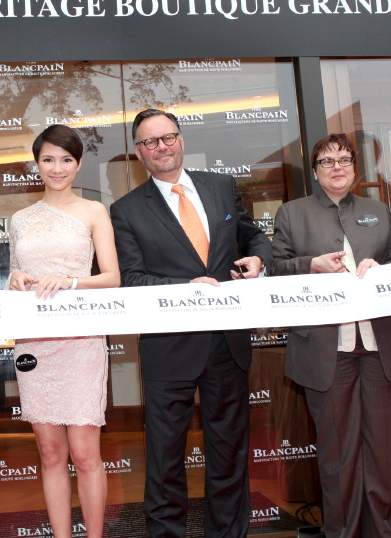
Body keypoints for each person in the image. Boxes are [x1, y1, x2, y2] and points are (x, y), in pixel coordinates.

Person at [109, 108, 273, 538]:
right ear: (139, 153)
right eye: (150, 142)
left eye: (168, 137)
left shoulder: (221, 186)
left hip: (227, 343)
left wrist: (259, 258)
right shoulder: (125, 211)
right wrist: (187, 288)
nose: (161, 147)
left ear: (181, 140)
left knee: (229, 456)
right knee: (165, 461)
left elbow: (252, 235)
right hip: (169, 348)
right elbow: (132, 280)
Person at [271, 133, 391, 538]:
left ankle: (386, 533)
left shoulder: (378, 210)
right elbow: (275, 270)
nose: (337, 167)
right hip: (325, 351)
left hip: (380, 348)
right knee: (337, 457)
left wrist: (383, 272)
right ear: (315, 171)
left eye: (345, 160)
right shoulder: (292, 213)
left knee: (383, 455)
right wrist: (310, 265)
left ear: (354, 167)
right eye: (327, 161)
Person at [7, 124, 121, 538]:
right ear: (36, 164)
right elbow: (17, 276)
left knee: (85, 452)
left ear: (78, 164)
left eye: (66, 160)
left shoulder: (94, 211)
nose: (57, 168)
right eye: (49, 159)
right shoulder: (19, 219)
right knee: (50, 451)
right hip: (35, 341)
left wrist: (70, 282)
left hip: (80, 340)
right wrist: (15, 278)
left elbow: (112, 278)